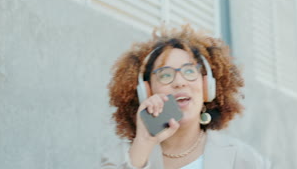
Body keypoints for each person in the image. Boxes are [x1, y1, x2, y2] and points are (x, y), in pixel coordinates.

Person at [101, 24, 270, 169]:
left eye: (189, 71)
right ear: (146, 91)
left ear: (207, 87)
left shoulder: (244, 159)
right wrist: (143, 143)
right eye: (165, 75)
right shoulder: (120, 157)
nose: (179, 82)